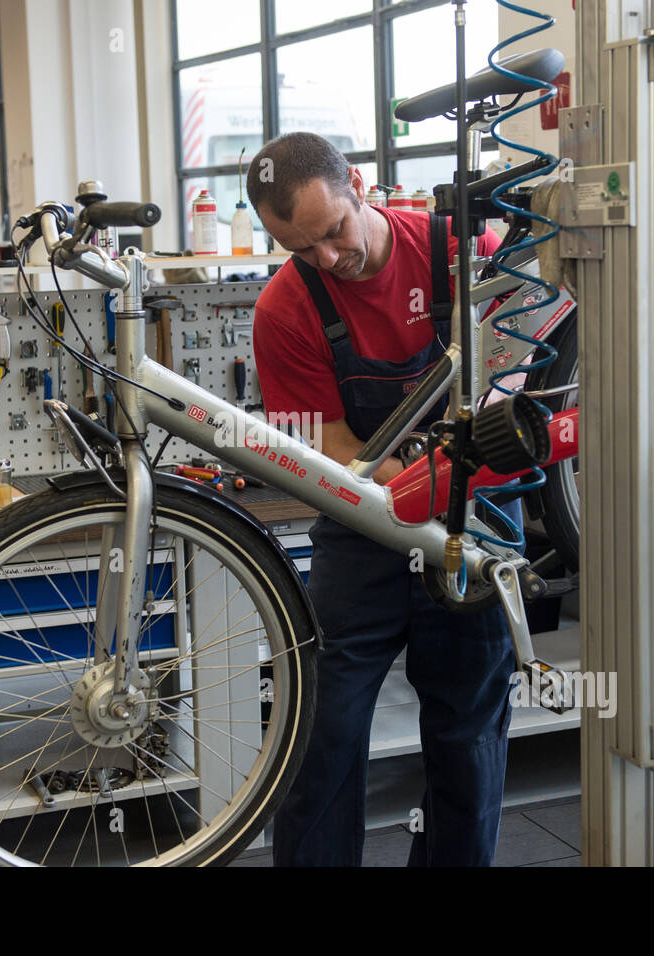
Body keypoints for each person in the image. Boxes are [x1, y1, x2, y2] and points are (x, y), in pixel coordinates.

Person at [246, 131, 517, 866]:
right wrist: (407, 477)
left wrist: (454, 473)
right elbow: (326, 440)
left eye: (333, 231)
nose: (328, 260)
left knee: (467, 737)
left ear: (359, 184)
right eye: (303, 250)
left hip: (475, 524)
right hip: (361, 531)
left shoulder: (463, 249)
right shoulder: (284, 309)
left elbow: (518, 375)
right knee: (321, 733)